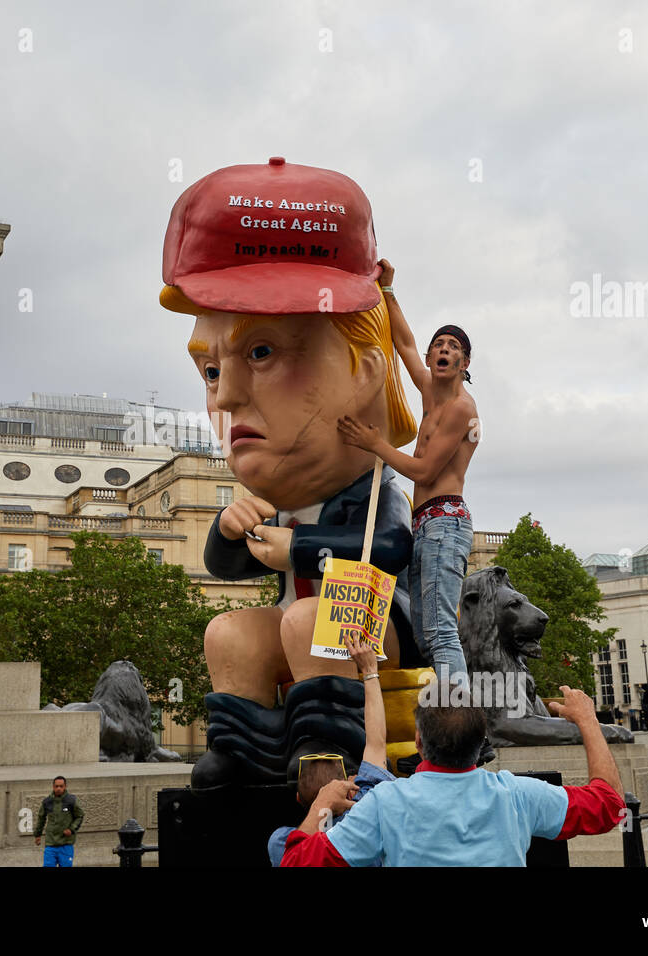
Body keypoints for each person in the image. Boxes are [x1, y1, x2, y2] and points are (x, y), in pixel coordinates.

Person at [162, 157, 420, 788]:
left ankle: (327, 761)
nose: (223, 399)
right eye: (211, 369)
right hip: (305, 629)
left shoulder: (374, 486)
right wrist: (228, 532)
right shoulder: (271, 501)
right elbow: (229, 568)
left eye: (262, 351)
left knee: (312, 619)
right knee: (232, 633)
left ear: (364, 371)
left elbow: (391, 548)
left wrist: (298, 549)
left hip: (378, 627)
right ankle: (244, 754)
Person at [281, 686, 624, 866]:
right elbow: (610, 806)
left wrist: (321, 807)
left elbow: (296, 863)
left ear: (418, 741)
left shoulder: (386, 804)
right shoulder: (516, 794)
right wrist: (587, 721)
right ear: (481, 743)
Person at [337, 259, 479, 690]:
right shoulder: (431, 392)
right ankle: (449, 719)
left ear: (464, 361)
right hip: (426, 523)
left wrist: (374, 443)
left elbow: (424, 468)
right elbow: (403, 342)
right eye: (439, 343)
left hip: (445, 521)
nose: (443, 349)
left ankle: (463, 721)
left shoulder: (460, 408)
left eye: (453, 346)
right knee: (424, 633)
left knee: (438, 631)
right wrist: (388, 290)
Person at [267, 635, 393, 865]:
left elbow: (295, 851)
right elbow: (376, 742)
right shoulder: (363, 828)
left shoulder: (281, 843)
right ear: (350, 790)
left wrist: (322, 806)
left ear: (298, 798)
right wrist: (369, 670)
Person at [33, 776, 84, 867]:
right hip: (50, 844)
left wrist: (71, 829)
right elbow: (41, 819)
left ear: (65, 787)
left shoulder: (71, 800)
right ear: (53, 787)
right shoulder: (47, 802)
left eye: (61, 786)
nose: (59, 789)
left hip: (66, 844)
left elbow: (80, 816)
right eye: (56, 786)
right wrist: (38, 835)